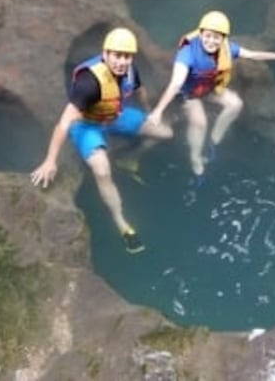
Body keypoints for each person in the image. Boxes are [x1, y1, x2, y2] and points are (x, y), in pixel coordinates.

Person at [30, 27, 173, 253]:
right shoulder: (90, 83)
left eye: (126, 56)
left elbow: (139, 90)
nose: (121, 61)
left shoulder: (129, 71)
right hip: (87, 125)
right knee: (102, 169)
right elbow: (65, 122)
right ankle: (122, 223)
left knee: (165, 133)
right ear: (106, 54)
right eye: (116, 55)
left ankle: (129, 159)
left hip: (114, 115)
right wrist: (50, 160)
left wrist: (149, 112)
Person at [147, 11, 275, 183]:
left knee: (236, 104)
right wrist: (158, 111)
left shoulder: (227, 48)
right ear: (201, 33)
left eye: (217, 37)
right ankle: (195, 157)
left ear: (223, 38)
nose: (212, 41)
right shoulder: (188, 52)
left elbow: (252, 55)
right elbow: (176, 83)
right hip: (189, 93)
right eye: (208, 36)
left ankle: (215, 138)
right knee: (200, 123)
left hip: (210, 88)